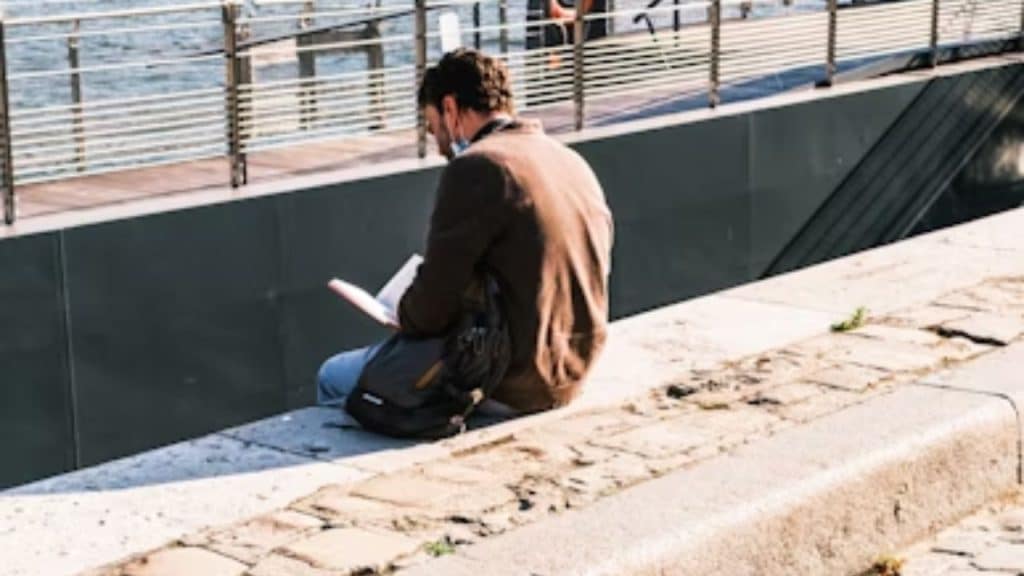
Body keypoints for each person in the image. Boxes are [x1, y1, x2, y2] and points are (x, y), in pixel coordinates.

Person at [317, 48, 613, 415]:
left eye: (433, 128)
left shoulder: (477, 167)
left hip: (515, 380)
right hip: (574, 370)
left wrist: (401, 315)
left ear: (450, 108)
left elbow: (431, 308)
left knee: (333, 375)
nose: (441, 147)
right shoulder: (569, 160)